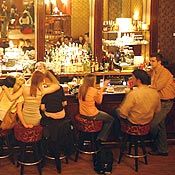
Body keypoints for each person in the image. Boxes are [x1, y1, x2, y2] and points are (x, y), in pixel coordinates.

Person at [113, 69, 161, 139]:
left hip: (134, 123)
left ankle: (120, 137)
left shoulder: (133, 94)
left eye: (132, 77)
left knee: (116, 111)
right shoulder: (155, 92)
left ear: (138, 80)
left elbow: (123, 113)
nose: (131, 79)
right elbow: (158, 110)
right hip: (147, 123)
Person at [149, 53, 175, 156]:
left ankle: (155, 143)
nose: (151, 63)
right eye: (150, 61)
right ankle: (163, 149)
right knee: (161, 125)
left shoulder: (164, 73)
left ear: (159, 62)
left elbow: (156, 87)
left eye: (153, 61)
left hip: (166, 101)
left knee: (154, 124)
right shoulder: (154, 71)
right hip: (159, 101)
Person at [78, 74, 114, 143]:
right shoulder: (93, 90)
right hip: (91, 115)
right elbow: (99, 102)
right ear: (93, 82)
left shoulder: (81, 88)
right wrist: (103, 88)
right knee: (111, 119)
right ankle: (100, 139)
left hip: (82, 114)